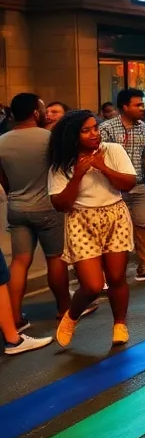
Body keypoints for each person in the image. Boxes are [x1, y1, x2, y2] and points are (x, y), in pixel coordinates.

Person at [49, 110, 139, 349]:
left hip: (115, 215)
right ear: (72, 135)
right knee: (92, 285)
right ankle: (72, 315)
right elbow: (60, 204)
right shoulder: (62, 163)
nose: (94, 134)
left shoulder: (112, 150)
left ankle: (119, 324)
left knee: (117, 277)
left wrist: (103, 168)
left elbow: (129, 183)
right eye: (86, 130)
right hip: (81, 219)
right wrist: (77, 175)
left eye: (95, 128)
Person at [0, 94, 72, 330]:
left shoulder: (2, 141)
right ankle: (64, 309)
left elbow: (3, 180)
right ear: (35, 113)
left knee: (20, 261)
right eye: (43, 109)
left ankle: (15, 318)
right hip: (48, 207)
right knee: (55, 258)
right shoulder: (50, 139)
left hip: (17, 207)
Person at [99, 88, 145, 283]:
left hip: (138, 186)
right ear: (124, 107)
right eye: (137, 105)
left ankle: (144, 266)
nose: (142, 108)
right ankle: (105, 274)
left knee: (142, 226)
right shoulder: (106, 129)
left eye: (142, 104)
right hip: (113, 188)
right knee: (110, 231)